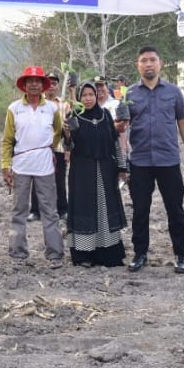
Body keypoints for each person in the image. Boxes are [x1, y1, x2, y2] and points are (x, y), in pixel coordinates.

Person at [125, 45, 184, 273]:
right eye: (144, 60)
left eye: (152, 60)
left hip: (168, 160)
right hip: (139, 161)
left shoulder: (174, 92)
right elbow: (122, 127)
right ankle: (140, 253)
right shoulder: (130, 94)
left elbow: (183, 123)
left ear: (160, 63)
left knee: (175, 209)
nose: (148, 64)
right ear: (138, 65)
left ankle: (181, 254)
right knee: (140, 210)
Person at [2, 66, 68, 266]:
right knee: (19, 210)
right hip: (21, 167)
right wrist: (6, 166)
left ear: (43, 85)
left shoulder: (52, 108)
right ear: (24, 84)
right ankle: (17, 251)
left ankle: (55, 252)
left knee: (50, 210)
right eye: (29, 80)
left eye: (37, 81)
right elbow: (7, 140)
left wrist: (45, 147)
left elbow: (57, 132)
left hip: (45, 167)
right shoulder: (14, 108)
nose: (33, 84)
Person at [66, 82, 128, 267]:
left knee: (103, 208)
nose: (88, 98)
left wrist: (122, 167)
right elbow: (68, 147)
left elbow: (115, 142)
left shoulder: (105, 115)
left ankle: (108, 254)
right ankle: (84, 255)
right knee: (85, 209)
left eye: (91, 94)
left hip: (105, 170)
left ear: (96, 96)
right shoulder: (73, 117)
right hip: (82, 172)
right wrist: (68, 134)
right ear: (79, 98)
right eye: (84, 95)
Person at [30, 72, 69, 223]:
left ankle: (62, 209)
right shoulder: (38, 103)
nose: (52, 86)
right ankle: (35, 210)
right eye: (49, 83)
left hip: (59, 148)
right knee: (37, 179)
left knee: (59, 180)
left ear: (58, 86)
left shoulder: (65, 105)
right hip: (41, 148)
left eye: (55, 83)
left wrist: (68, 151)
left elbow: (68, 129)